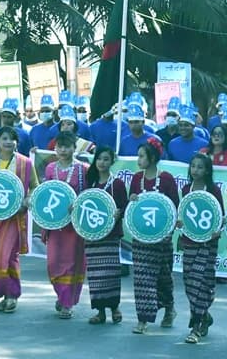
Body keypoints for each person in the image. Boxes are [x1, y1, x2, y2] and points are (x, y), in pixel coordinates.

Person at [0, 126, 38, 313]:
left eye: (12, 139)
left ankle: (12, 295)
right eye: (4, 138)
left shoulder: (26, 163)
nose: (8, 142)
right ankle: (5, 295)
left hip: (15, 218)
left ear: (16, 142)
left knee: (9, 256)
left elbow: (34, 186)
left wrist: (27, 200)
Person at [129, 140, 179, 334]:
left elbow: (174, 207)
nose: (138, 159)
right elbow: (131, 207)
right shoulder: (136, 179)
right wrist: (132, 199)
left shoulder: (166, 179)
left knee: (163, 278)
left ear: (152, 158)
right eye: (138, 155)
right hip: (140, 239)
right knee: (142, 279)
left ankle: (169, 309)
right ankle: (143, 319)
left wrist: (167, 232)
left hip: (162, 240)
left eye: (142, 156)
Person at [176, 153, 225, 344]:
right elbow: (184, 215)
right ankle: (204, 315)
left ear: (207, 171)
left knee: (202, 283)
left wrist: (217, 232)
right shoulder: (186, 189)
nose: (195, 170)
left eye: (200, 167)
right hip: (189, 242)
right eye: (193, 166)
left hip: (207, 245)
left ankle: (195, 326)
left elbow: (219, 217)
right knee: (190, 282)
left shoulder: (213, 190)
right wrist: (181, 227)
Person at [43, 131, 88, 319]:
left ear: (74, 148)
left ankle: (67, 302)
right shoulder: (50, 168)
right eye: (59, 146)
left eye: (67, 146)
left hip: (74, 226)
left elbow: (88, 195)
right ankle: (62, 295)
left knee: (71, 262)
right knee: (53, 263)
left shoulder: (83, 169)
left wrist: (77, 205)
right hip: (54, 225)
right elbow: (45, 195)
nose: (63, 149)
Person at [85, 147, 127, 325]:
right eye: (99, 159)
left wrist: (120, 213)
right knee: (95, 276)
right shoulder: (91, 182)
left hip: (110, 236)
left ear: (112, 162)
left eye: (106, 159)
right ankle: (100, 312)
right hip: (92, 236)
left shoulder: (116, 184)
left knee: (110, 273)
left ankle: (114, 308)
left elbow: (125, 207)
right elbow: (84, 203)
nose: (102, 162)